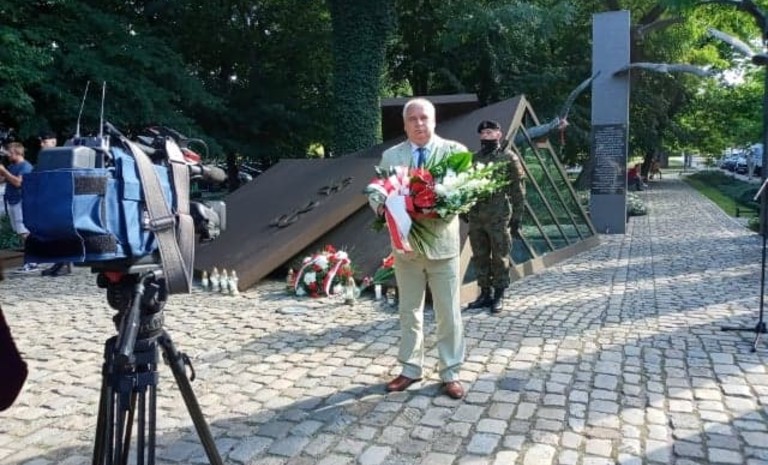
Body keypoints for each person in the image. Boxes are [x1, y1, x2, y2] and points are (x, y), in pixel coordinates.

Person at [368, 97, 467, 399]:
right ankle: (411, 369)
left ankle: (450, 372)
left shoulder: (454, 152)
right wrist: (384, 208)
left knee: (448, 312)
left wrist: (437, 209)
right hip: (406, 250)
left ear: (434, 121)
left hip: (442, 247)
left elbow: (464, 193)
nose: (419, 123)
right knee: (408, 311)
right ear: (405, 124)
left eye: (424, 118)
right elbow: (376, 192)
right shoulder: (391, 156)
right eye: (412, 119)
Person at [465, 120, 526, 314]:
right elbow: (466, 185)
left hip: (498, 216)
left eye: (490, 133)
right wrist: (464, 210)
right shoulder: (474, 158)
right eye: (483, 134)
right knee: (480, 256)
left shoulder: (509, 158)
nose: (486, 136)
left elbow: (518, 189)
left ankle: (499, 294)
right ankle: (485, 293)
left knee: (500, 256)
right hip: (477, 216)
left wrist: (517, 216)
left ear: (499, 134)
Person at [37, 131, 73, 277]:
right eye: (41, 141)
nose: (41, 144)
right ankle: (59, 262)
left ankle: (65, 263)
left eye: (45, 141)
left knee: (62, 232)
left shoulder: (62, 156)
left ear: (53, 142)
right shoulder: (46, 157)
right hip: (50, 198)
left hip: (61, 198)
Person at [0, 142, 37, 272]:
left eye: (9, 153)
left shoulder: (25, 166)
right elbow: (4, 180)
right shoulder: (12, 166)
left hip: (21, 201)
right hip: (12, 201)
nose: (7, 155)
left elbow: (18, 183)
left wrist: (4, 171)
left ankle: (33, 261)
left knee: (24, 232)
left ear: (16, 152)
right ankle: (29, 260)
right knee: (20, 232)